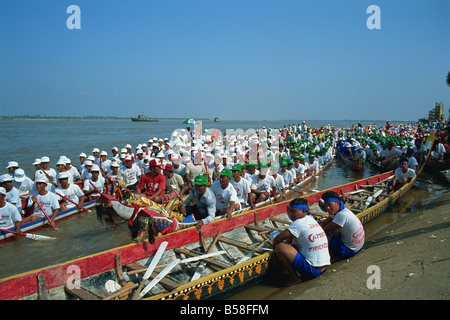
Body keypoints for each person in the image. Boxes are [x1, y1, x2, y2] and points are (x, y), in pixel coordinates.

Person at [271, 198, 330, 286]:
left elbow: (278, 239)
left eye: (293, 211)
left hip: (312, 271)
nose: (290, 215)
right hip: (324, 267)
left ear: (303, 211)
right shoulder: (310, 219)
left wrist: (274, 251)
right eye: (289, 212)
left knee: (280, 247)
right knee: (293, 243)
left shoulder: (298, 223)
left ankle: (295, 278)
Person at [320, 191, 365, 262]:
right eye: (325, 205)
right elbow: (325, 222)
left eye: (330, 205)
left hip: (350, 251)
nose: (327, 208)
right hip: (357, 247)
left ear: (337, 203)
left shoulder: (341, 215)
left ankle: (329, 256)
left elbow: (324, 231)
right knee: (333, 229)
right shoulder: (343, 210)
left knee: (324, 236)